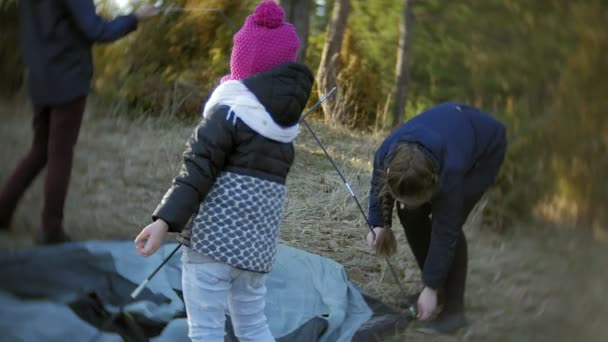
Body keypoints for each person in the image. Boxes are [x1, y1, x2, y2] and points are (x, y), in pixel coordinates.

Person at [134, 2, 313, 341]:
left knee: (206, 330)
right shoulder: (284, 134)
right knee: (253, 325)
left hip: (210, 247)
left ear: (241, 61)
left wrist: (163, 221)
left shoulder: (226, 114)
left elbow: (196, 171)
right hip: (255, 253)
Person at [0, 1, 159, 244]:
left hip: (40, 79)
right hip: (67, 81)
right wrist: (135, 17)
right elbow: (97, 30)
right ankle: (51, 229)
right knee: (59, 154)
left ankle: (3, 211)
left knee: (41, 150)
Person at [366, 102, 507, 334]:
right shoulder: (386, 154)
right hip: (447, 134)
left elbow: (445, 233)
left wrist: (428, 286)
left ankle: (454, 310)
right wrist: (379, 224)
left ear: (434, 187)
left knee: (449, 224)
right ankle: (436, 289)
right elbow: (378, 186)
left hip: (485, 148)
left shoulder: (450, 173)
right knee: (409, 213)